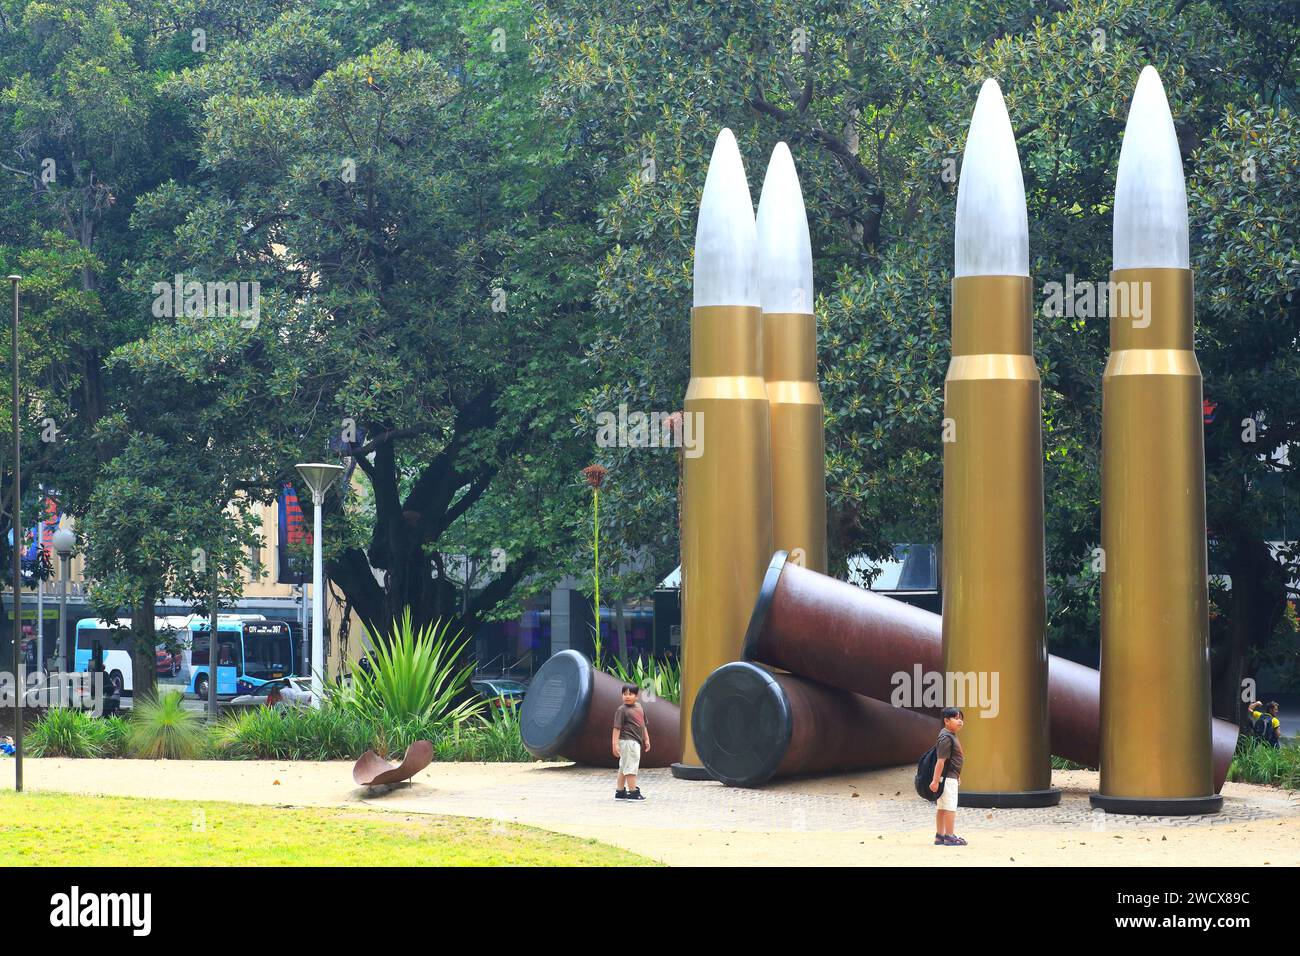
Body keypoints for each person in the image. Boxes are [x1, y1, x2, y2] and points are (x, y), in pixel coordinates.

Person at [929, 707, 966, 846]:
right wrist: (935, 780)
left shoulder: (950, 735)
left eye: (961, 719)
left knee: (942, 807)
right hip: (947, 779)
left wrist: (957, 775)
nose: (960, 721)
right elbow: (941, 761)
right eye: (956, 718)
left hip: (950, 777)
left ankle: (940, 835)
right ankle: (949, 836)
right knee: (949, 807)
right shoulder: (946, 737)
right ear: (946, 720)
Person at [612, 684, 651, 800]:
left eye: (630, 694)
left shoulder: (639, 707)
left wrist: (647, 739)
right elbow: (616, 728)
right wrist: (615, 744)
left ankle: (620, 791)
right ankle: (633, 792)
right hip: (628, 742)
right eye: (624, 694)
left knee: (624, 767)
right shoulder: (621, 710)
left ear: (636, 696)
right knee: (631, 768)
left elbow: (643, 725)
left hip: (635, 742)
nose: (627, 696)